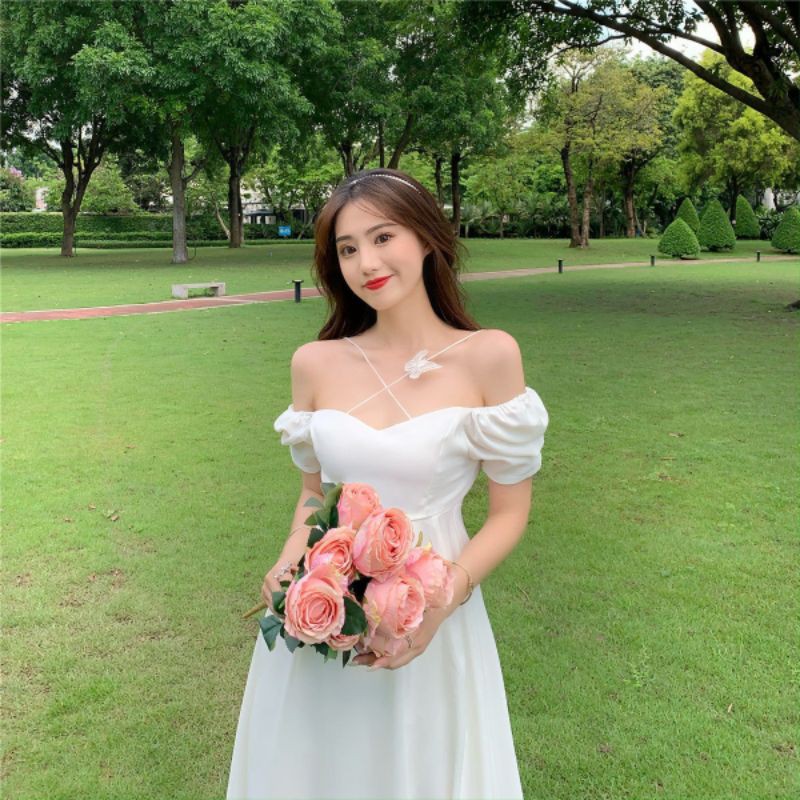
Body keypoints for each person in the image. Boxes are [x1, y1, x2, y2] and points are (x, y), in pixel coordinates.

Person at [227, 167, 549, 799]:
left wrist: (441, 603)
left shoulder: (489, 356)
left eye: (382, 238)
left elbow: (509, 513)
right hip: (324, 613)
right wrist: (289, 564)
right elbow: (313, 496)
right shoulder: (314, 363)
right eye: (347, 249)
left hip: (432, 606)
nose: (366, 263)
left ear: (426, 238)